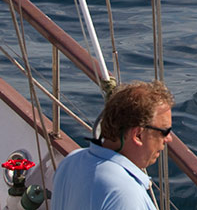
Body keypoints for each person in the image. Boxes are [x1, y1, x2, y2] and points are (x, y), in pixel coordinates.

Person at [52, 80, 175, 210]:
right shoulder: (125, 193)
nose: (169, 139)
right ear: (138, 135)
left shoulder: (72, 160)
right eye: (164, 132)